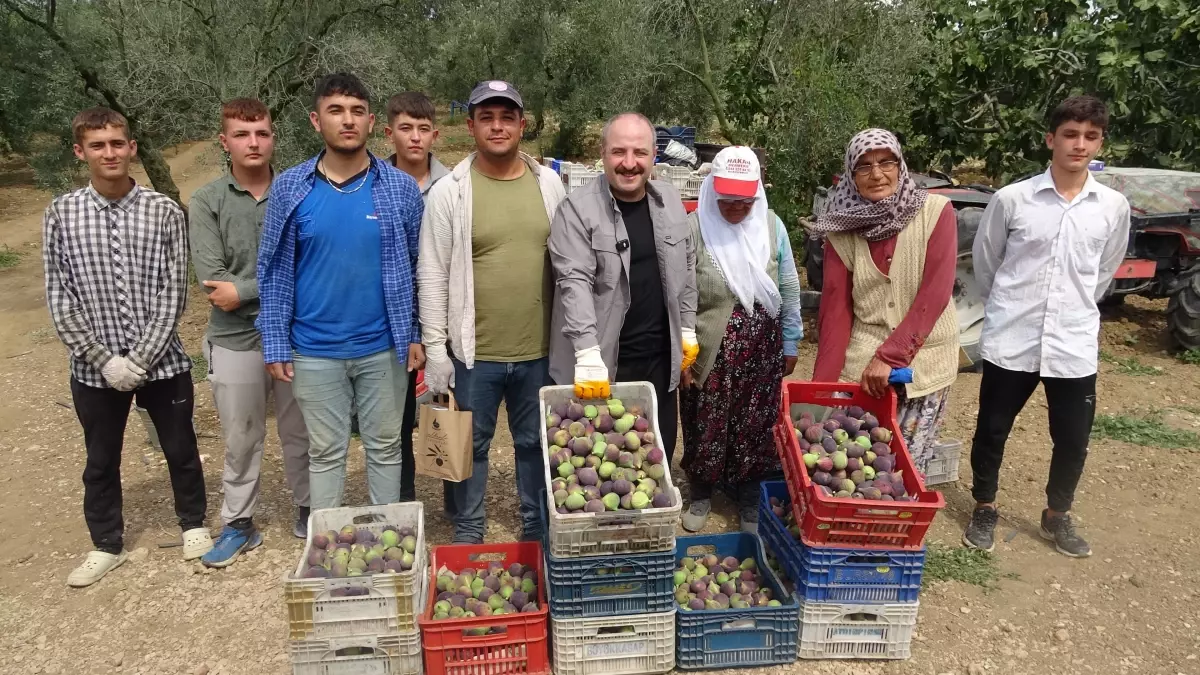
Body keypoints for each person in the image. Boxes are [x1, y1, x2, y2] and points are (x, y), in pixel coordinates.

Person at [44, 107, 211, 587]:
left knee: (180, 447)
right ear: (81, 152)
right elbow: (60, 295)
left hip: (162, 364)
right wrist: (103, 359)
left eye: (117, 143)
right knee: (100, 458)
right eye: (98, 145)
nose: (109, 153)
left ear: (131, 147)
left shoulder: (162, 211)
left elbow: (173, 292)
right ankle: (105, 543)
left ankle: (194, 524)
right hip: (94, 370)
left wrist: (138, 359)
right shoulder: (62, 212)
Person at [964, 95, 1131, 558]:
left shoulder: (1112, 207)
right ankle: (985, 506)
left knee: (1073, 437)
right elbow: (988, 264)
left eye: (1090, 137)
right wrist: (1016, 305)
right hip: (1012, 337)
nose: (1080, 145)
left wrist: (1073, 307)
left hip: (1073, 341)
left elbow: (1104, 269)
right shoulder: (1013, 199)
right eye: (1071, 134)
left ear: (1100, 143)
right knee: (993, 429)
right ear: (1050, 139)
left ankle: (1057, 514)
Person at [257, 73, 424, 510]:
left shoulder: (401, 189)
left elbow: (418, 269)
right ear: (316, 121)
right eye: (335, 111)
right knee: (327, 452)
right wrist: (274, 342)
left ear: (371, 121)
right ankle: (328, 549)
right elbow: (274, 272)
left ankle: (390, 542)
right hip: (314, 350)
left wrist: (417, 335)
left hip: (383, 347)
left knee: (386, 448)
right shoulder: (291, 188)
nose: (347, 121)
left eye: (356, 112)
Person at [418, 80, 565, 543]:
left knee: (534, 442)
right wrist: (437, 349)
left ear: (522, 124)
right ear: (471, 125)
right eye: (487, 117)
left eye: (507, 117)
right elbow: (433, 272)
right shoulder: (451, 192)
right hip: (473, 352)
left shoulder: (549, 184)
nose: (497, 126)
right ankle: (468, 529)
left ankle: (536, 527)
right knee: (469, 443)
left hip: (538, 348)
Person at [190, 98, 311, 568]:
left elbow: (309, 271)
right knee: (241, 436)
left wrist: (244, 290)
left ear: (273, 137)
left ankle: (309, 509)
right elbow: (213, 284)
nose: (253, 142)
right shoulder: (207, 201)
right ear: (226, 142)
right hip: (235, 338)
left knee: (301, 431)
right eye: (242, 135)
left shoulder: (299, 190)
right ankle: (239, 522)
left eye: (261, 133)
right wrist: (258, 289)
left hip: (297, 335)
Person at [548, 112, 698, 464]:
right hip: (605, 366)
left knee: (656, 456)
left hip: (659, 365)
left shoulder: (670, 201)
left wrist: (687, 326)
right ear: (603, 153)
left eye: (640, 153)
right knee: (604, 465)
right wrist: (586, 354)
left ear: (654, 156)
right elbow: (574, 282)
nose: (629, 163)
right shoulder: (576, 210)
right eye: (619, 152)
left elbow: (686, 268)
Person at [811, 128, 960, 477]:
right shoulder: (841, 230)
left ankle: (894, 525)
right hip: (864, 360)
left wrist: (890, 357)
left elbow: (934, 294)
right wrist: (821, 391)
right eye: (863, 167)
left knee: (902, 469)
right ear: (851, 175)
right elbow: (835, 313)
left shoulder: (935, 213)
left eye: (886, 162)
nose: (876, 174)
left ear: (900, 165)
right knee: (852, 465)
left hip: (925, 355)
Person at [678, 147, 802, 533]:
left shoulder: (771, 226)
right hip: (707, 349)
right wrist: (682, 354)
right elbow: (682, 292)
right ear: (713, 188)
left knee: (756, 423)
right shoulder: (696, 227)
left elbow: (789, 285)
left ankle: (748, 496)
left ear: (757, 192)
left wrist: (791, 340)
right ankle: (701, 491)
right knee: (703, 420)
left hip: (760, 349)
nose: (735, 205)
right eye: (727, 196)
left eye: (744, 199)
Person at [383, 91, 452, 509]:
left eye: (423, 129)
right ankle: (404, 498)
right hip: (394, 318)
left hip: (444, 314)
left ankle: (454, 497)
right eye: (405, 128)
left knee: (446, 407)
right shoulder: (375, 183)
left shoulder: (456, 182)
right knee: (398, 417)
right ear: (389, 132)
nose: (414, 138)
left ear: (435, 135)